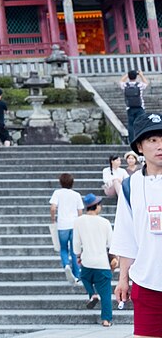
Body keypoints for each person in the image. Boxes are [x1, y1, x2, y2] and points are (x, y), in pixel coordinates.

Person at [113, 112, 162, 333]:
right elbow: (126, 236)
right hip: (146, 281)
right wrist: (123, 278)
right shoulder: (130, 186)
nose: (160, 146)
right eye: (152, 140)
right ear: (140, 147)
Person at [74, 193, 114, 327]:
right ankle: (106, 320)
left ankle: (92, 294)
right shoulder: (105, 222)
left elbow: (76, 243)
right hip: (102, 263)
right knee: (106, 293)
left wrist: (78, 255)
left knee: (84, 277)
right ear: (96, 206)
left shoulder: (78, 221)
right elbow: (111, 244)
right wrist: (114, 258)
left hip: (87, 261)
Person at [50, 173, 84, 282]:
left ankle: (66, 265)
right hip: (74, 224)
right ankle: (77, 274)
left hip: (62, 225)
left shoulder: (57, 193)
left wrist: (53, 219)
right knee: (75, 250)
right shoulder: (76, 195)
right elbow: (80, 211)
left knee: (63, 248)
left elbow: (53, 207)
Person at [121, 70, 149, 134]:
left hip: (129, 107)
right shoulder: (139, 85)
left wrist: (127, 75)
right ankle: (140, 138)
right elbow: (146, 83)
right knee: (141, 123)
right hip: (140, 107)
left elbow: (121, 81)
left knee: (131, 125)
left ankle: (131, 140)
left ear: (129, 76)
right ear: (136, 77)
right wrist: (141, 75)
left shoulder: (125, 85)